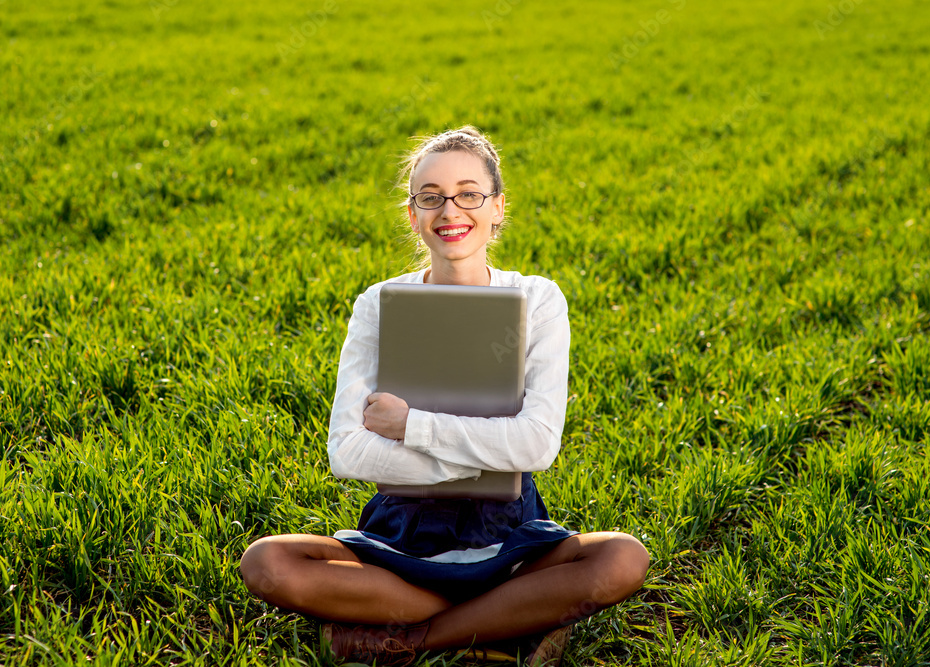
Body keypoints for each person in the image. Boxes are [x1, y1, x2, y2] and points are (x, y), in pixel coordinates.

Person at [240, 126, 649, 666]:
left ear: (498, 207)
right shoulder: (380, 304)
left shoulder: (537, 299)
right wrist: (485, 450)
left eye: (469, 194)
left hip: (509, 537)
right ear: (413, 214)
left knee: (623, 558)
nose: (449, 210)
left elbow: (536, 446)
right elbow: (348, 453)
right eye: (430, 197)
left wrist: (413, 426)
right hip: (401, 537)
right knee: (267, 563)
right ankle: (503, 617)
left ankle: (412, 638)